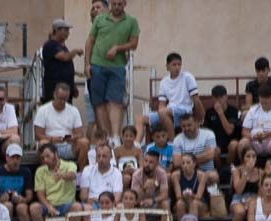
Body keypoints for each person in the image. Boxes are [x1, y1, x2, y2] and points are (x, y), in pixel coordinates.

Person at [84, 0, 139, 146]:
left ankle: (115, 136)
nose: (116, 7)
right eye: (114, 4)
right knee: (99, 102)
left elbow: (134, 43)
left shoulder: (131, 21)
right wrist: (87, 64)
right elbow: (90, 41)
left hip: (117, 66)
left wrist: (118, 48)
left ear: (125, 4)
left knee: (115, 101)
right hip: (97, 65)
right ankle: (106, 136)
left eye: (119, 4)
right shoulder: (99, 19)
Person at [141, 52, 199, 142]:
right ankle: (136, 145)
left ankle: (172, 142)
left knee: (163, 112)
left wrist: (200, 116)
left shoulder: (187, 77)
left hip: (185, 109)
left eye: (179, 64)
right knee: (140, 119)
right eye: (174, 65)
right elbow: (162, 104)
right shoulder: (164, 81)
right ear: (167, 66)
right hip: (169, 110)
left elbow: (196, 99)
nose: (177, 67)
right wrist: (161, 112)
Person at [33, 83, 88, 167]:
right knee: (43, 143)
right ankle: (46, 173)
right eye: (60, 99)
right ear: (54, 94)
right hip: (50, 144)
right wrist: (52, 139)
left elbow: (80, 133)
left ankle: (81, 174)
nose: (62, 102)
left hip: (68, 145)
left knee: (84, 142)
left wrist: (73, 137)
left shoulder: (73, 110)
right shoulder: (43, 110)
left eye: (65, 99)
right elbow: (38, 134)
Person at [30, 143, 82, 221]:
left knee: (77, 207)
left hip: (67, 204)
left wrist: (61, 175)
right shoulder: (40, 171)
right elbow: (40, 193)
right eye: (43, 158)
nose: (45, 160)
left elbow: (72, 175)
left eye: (48, 156)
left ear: (56, 154)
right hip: (50, 204)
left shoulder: (69, 165)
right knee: (34, 208)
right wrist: (48, 206)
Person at [42, 19, 82, 104]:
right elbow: (64, 57)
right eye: (65, 30)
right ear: (57, 30)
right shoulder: (50, 45)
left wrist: (73, 85)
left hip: (67, 89)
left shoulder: (63, 47)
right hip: (54, 89)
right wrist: (75, 51)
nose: (68, 33)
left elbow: (66, 67)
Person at [203, 85, 242, 166]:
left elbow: (229, 131)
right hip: (216, 142)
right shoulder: (209, 112)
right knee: (214, 150)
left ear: (226, 97)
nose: (218, 100)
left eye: (221, 97)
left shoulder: (233, 111)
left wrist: (220, 113)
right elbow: (206, 131)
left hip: (230, 140)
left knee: (233, 145)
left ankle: (228, 167)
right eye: (216, 98)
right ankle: (219, 169)